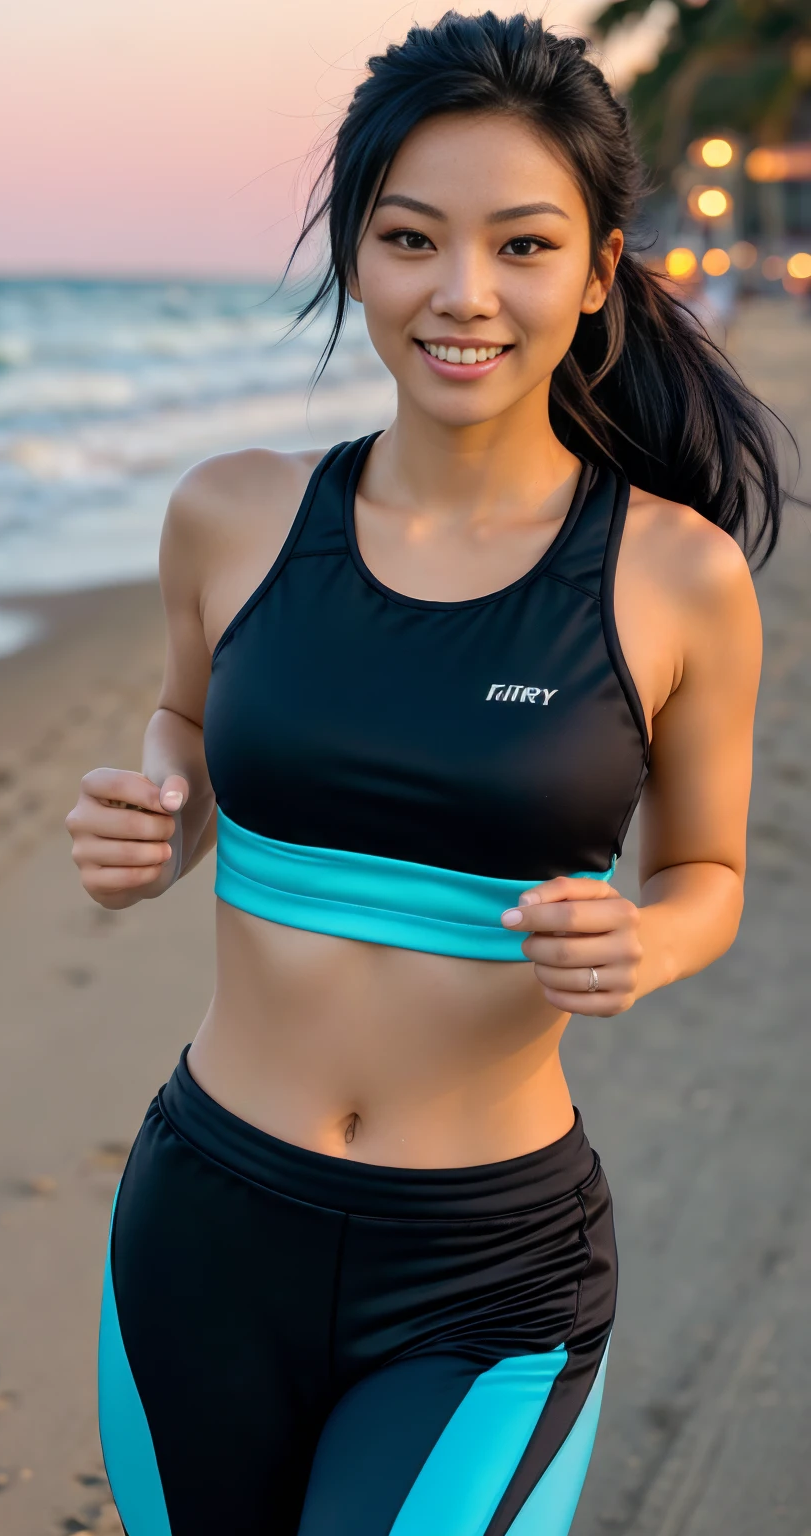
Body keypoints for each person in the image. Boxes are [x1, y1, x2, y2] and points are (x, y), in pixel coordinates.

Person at [66, 13, 782, 1535]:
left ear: (595, 275)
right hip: (204, 1222)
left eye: (523, 246)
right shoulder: (233, 517)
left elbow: (709, 875)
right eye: (411, 238)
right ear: (355, 252)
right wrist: (160, 812)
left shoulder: (678, 579)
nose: (463, 294)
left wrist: (645, 939)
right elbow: (184, 733)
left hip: (482, 1273)